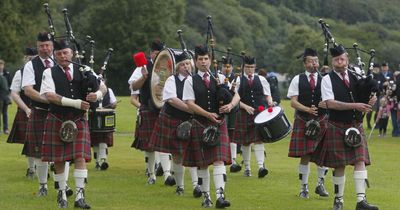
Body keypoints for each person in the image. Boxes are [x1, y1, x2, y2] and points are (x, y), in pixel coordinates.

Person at [40, 38, 106, 209]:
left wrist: (96, 96)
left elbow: (103, 88)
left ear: (72, 53)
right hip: (57, 118)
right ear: (55, 55)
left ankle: (79, 197)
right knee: (59, 159)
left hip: (78, 119)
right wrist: (76, 103)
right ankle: (62, 194)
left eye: (65, 53)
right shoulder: (49, 72)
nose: (62, 56)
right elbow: (49, 95)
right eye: (59, 53)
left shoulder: (85, 69)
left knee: (80, 157)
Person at [312, 45, 378, 210]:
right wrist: (355, 105)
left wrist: (370, 100)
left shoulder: (357, 75)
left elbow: (364, 95)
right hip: (337, 125)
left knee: (360, 160)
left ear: (347, 58)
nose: (339, 62)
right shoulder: (327, 79)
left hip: (356, 124)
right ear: (332, 61)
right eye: (336, 60)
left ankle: (361, 201)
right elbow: (330, 103)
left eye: (342, 59)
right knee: (339, 165)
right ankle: (339, 200)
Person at [182, 45, 240, 208]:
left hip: (219, 123)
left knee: (219, 160)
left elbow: (236, 96)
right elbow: (189, 104)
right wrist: (207, 115)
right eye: (200, 59)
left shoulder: (220, 78)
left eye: (206, 59)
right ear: (195, 61)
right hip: (200, 123)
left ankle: (220, 196)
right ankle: (206, 197)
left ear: (210, 60)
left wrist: (230, 106)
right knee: (202, 163)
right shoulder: (190, 81)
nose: (203, 62)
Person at [148, 52, 202, 197]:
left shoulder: (195, 80)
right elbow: (172, 99)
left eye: (188, 64)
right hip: (174, 119)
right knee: (178, 155)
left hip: (192, 121)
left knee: (194, 154)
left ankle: (197, 186)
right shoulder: (171, 80)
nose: (186, 67)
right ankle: (180, 186)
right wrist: (192, 109)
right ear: (177, 67)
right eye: (183, 65)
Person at [129, 39, 174, 185]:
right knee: (148, 145)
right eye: (156, 53)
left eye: (161, 53)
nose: (158, 56)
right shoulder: (142, 67)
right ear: (151, 54)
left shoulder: (168, 67)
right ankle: (151, 174)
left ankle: (167, 174)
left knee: (165, 142)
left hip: (164, 109)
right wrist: (144, 76)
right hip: (148, 108)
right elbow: (133, 87)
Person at [286, 48, 329, 199]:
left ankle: (320, 184)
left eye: (316, 61)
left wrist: (325, 104)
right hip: (303, 120)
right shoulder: (297, 79)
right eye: (311, 61)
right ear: (305, 63)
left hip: (322, 120)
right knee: (305, 155)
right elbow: (293, 102)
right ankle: (303, 187)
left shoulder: (325, 79)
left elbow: (330, 99)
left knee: (323, 154)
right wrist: (307, 109)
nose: (314, 64)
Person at [21, 32, 54, 197]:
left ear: (52, 45)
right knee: (40, 151)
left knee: (61, 149)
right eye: (41, 45)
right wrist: (49, 100)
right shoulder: (31, 65)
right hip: (40, 112)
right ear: (37, 46)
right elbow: (28, 90)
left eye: (47, 45)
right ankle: (43, 185)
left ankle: (61, 183)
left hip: (61, 113)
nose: (45, 48)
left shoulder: (60, 61)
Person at [233, 56, 272, 179]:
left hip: (259, 114)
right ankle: (247, 168)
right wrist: (245, 107)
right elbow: (233, 100)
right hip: (244, 114)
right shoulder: (238, 80)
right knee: (246, 142)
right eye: (248, 67)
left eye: (252, 67)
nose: (250, 70)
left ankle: (261, 167)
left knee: (259, 140)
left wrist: (270, 103)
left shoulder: (261, 79)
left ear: (255, 67)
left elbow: (267, 95)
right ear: (244, 67)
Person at [6, 47, 36, 178]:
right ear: (25, 59)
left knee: (46, 141)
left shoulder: (47, 71)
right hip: (26, 110)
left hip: (46, 111)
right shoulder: (21, 73)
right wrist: (26, 109)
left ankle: (46, 166)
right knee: (30, 141)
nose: (31, 61)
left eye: (34, 58)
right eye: (29, 58)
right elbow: (14, 93)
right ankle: (31, 168)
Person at [220, 57, 241, 173]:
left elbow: (238, 95)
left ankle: (233, 160)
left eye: (228, 66)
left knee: (232, 134)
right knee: (222, 134)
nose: (226, 69)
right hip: (220, 109)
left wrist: (232, 105)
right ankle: (222, 159)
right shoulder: (217, 77)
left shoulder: (236, 78)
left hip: (233, 109)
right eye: (224, 66)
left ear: (232, 67)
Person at [90, 83, 117, 170]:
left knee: (103, 140)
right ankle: (97, 162)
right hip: (93, 118)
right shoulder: (91, 91)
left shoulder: (109, 91)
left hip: (106, 120)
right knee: (95, 142)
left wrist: (113, 105)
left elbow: (114, 103)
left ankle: (103, 160)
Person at [0, 59, 12, 134]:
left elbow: (11, 84)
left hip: (5, 97)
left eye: (1, 65)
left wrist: (9, 95)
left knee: (5, 113)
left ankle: (6, 129)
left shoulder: (7, 74)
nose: (0, 66)